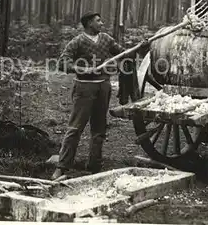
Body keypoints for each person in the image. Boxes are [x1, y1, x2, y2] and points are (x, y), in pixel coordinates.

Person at [51, 11, 148, 180]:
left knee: (99, 129)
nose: (102, 23)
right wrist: (84, 70)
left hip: (103, 87)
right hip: (84, 88)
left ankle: (94, 167)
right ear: (89, 23)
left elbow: (124, 53)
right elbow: (62, 63)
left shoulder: (106, 39)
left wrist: (140, 47)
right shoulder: (78, 42)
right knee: (75, 128)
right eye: (98, 20)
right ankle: (62, 167)